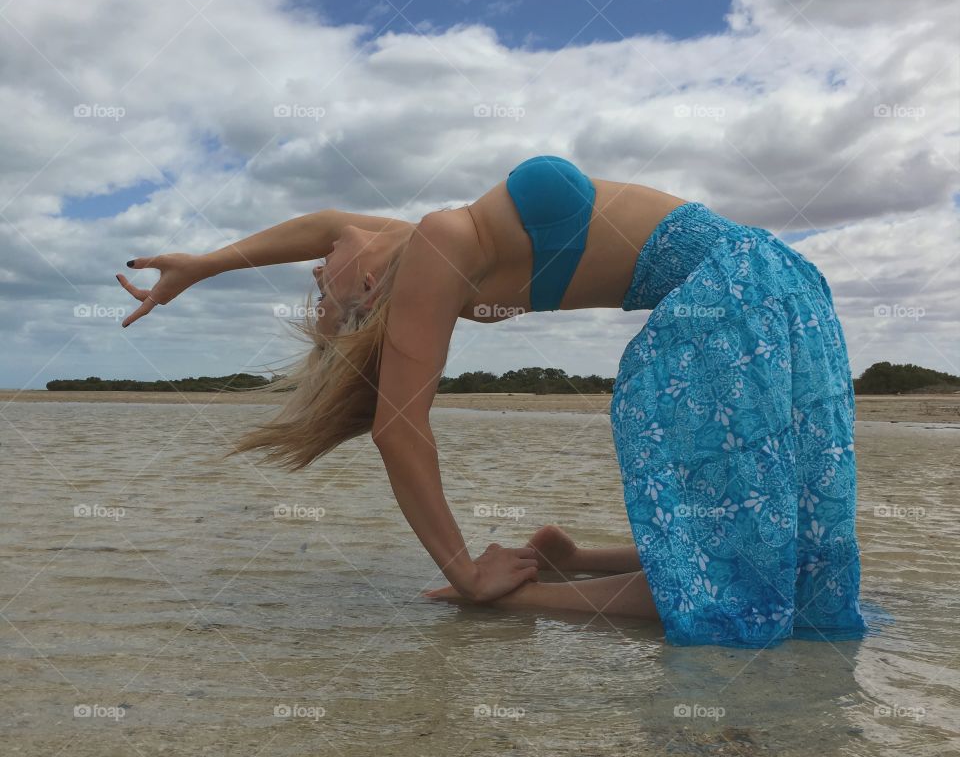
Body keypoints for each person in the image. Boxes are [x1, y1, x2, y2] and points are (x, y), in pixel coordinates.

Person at [116, 154, 867, 648]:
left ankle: (573, 561)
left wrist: (203, 266)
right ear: (373, 292)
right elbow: (399, 429)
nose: (317, 268)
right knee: (743, 582)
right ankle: (517, 599)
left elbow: (322, 224)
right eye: (324, 291)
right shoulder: (439, 253)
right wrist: (467, 571)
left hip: (773, 282)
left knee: (780, 545)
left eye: (317, 279)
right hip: (739, 295)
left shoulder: (418, 241)